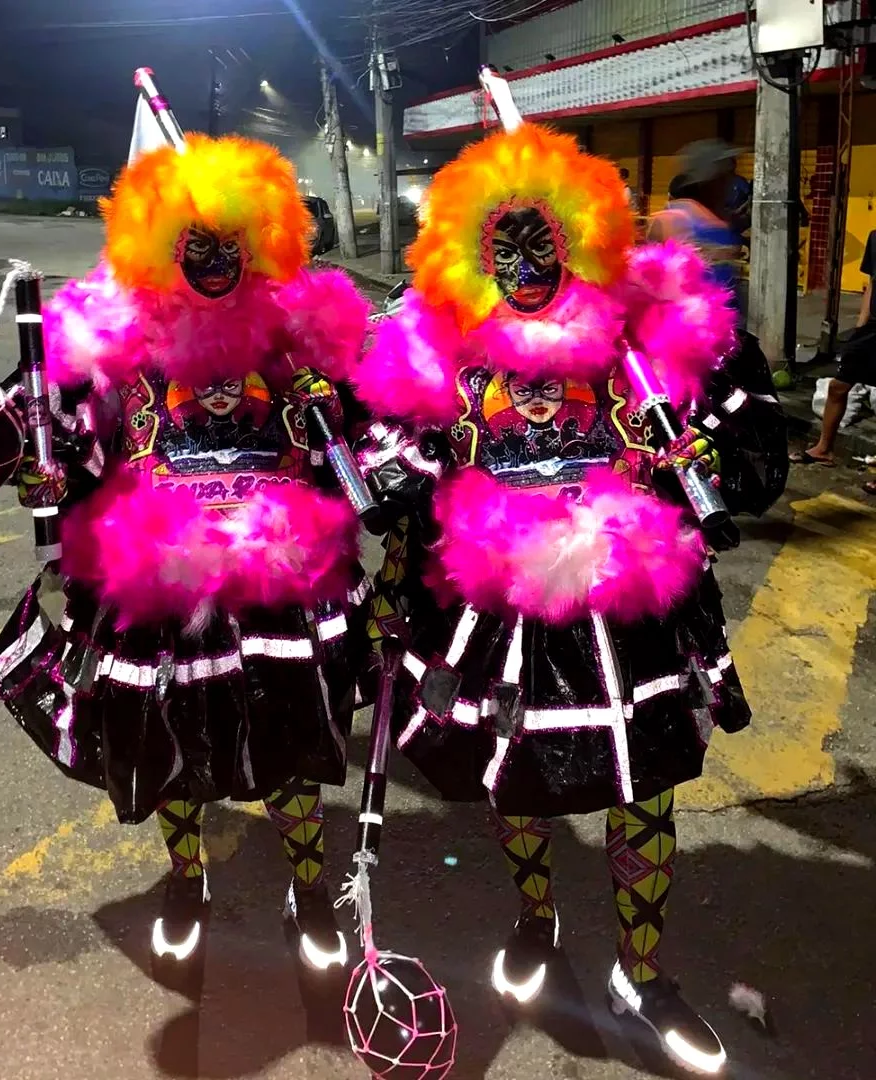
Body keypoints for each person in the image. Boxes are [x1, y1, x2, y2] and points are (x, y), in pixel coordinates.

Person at [351, 122, 786, 1075]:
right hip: (501, 614)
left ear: (582, 240)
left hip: (630, 617)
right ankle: (537, 921)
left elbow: (757, 461)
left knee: (645, 796)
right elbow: (376, 471)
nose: (523, 262)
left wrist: (698, 458)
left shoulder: (645, 345)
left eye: (542, 239)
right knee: (519, 780)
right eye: (501, 244)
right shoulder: (443, 355)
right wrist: (410, 470)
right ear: (469, 252)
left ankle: (642, 974)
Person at [0, 131, 374, 972]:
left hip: (276, 582)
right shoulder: (119, 349)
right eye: (193, 243)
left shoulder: (291, 337)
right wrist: (40, 465)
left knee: (291, 748)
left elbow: (360, 446)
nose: (212, 258)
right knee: (169, 742)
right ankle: (186, 877)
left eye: (229, 242)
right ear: (159, 248)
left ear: (259, 241)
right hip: (159, 581)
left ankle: (307, 892)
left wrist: (331, 423)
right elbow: (75, 450)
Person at [790, 229, 876, 494]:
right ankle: (824, 449)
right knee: (838, 387)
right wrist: (861, 324)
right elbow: (872, 282)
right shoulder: (874, 237)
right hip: (872, 330)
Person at [647, 139, 745, 317]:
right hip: (683, 328)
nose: (732, 182)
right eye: (724, 176)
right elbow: (648, 279)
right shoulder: (672, 219)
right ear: (707, 180)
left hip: (727, 325)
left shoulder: (722, 217)